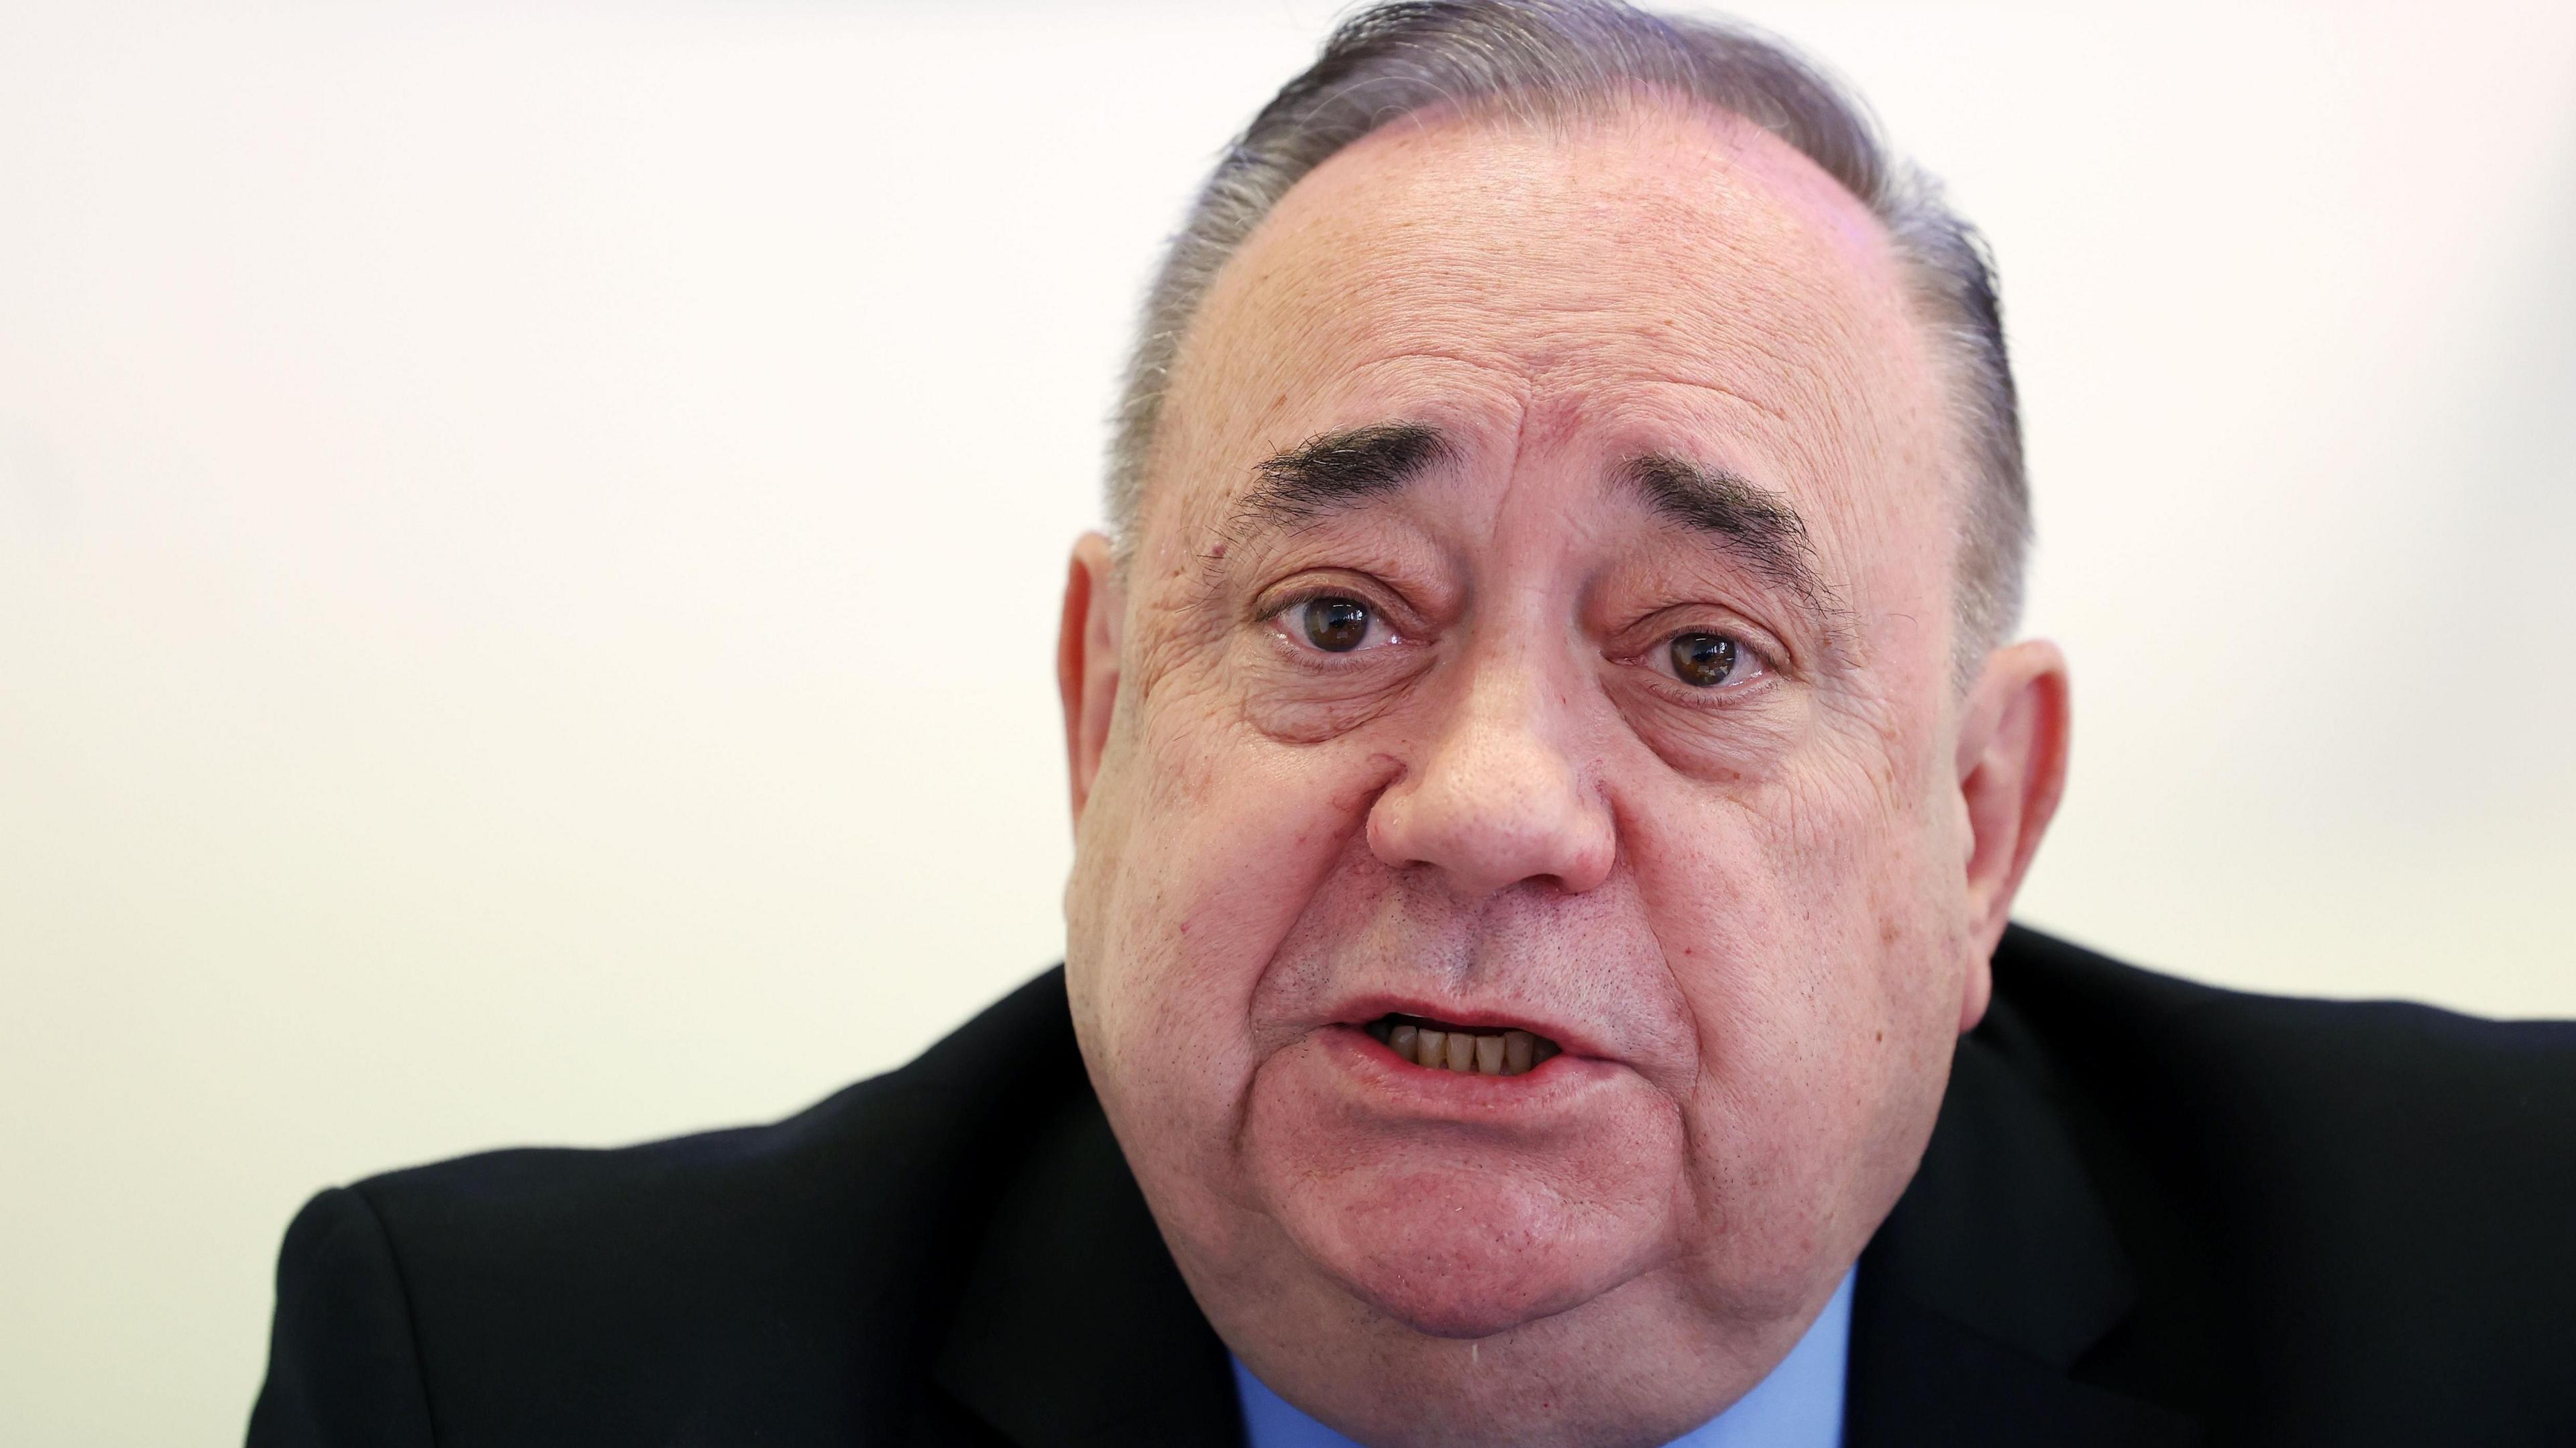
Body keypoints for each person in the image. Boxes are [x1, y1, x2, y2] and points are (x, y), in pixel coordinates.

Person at [247, 3, 2576, 1444]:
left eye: (1699, 653)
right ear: (1102, 710)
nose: (1484, 810)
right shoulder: (507, 1380)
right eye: (1342, 615)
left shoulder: (2501, 1288)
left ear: (1975, 825)